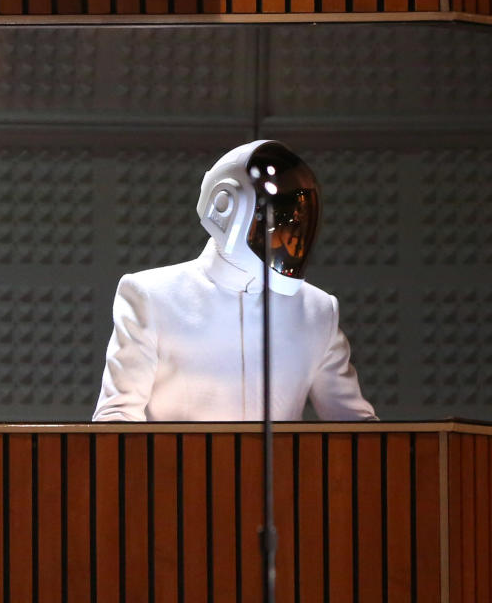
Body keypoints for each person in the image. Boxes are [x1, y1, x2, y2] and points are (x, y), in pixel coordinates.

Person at [92, 139, 375, 423]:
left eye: (294, 224)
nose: (287, 236)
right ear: (225, 205)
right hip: (177, 467)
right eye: (278, 221)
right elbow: (116, 419)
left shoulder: (318, 310)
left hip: (282, 469)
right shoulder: (152, 296)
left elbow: (358, 429)